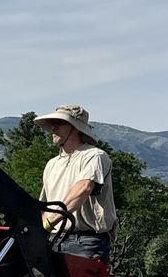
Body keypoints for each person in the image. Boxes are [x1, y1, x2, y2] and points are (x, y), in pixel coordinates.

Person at [36, 104, 117, 263]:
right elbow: (46, 205)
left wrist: (48, 223)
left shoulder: (94, 156)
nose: (53, 128)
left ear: (76, 128)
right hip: (53, 239)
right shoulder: (52, 164)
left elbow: (83, 188)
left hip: (86, 242)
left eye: (59, 123)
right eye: (52, 124)